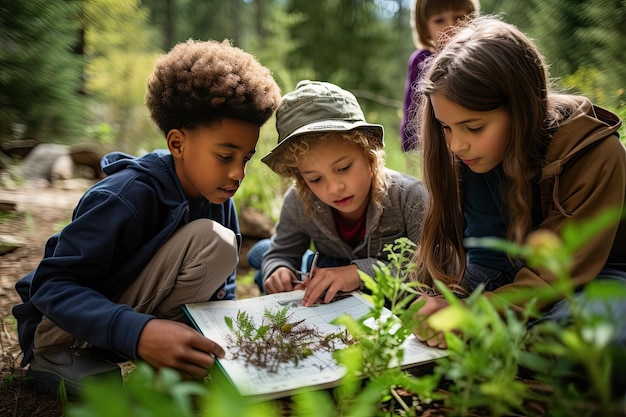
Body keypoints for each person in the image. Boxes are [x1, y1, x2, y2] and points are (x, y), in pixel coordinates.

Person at [12, 39, 281, 396]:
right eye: (224, 156)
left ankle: (162, 354)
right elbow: (52, 285)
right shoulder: (126, 196)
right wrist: (137, 332)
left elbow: (222, 288)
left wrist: (221, 340)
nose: (238, 174)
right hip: (65, 325)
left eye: (245, 158)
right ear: (177, 144)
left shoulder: (217, 199)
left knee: (218, 242)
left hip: (131, 314)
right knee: (213, 239)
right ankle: (54, 355)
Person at [409, 16, 626, 350]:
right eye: (446, 127)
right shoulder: (477, 155)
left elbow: (560, 272)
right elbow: (487, 257)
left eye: (474, 127)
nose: (455, 145)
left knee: (582, 335)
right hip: (519, 272)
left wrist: (476, 313)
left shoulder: (596, 153)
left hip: (598, 275)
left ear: (522, 108)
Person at [258, 80, 429, 307]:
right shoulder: (299, 200)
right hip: (335, 293)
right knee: (261, 254)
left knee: (260, 250)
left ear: (369, 155)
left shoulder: (410, 197)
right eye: (315, 179)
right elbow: (281, 252)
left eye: (344, 168)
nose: (334, 188)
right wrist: (278, 269)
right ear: (300, 177)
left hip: (392, 300)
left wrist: (359, 273)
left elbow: (431, 269)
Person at [400, 0, 479, 152]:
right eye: (439, 20)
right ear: (424, 29)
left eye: (458, 18)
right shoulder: (421, 61)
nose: (451, 26)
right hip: (439, 148)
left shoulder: (479, 56)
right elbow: (411, 115)